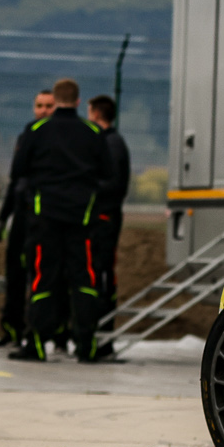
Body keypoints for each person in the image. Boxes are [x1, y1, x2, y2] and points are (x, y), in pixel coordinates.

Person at [7, 77, 112, 362]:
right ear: (78, 101)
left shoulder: (37, 130)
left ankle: (38, 344)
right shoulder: (92, 132)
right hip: (83, 219)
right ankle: (86, 345)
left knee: (44, 279)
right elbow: (107, 173)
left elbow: (18, 171)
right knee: (85, 281)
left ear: (55, 100)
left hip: (46, 219)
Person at [0, 89, 55, 350]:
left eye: (48, 106)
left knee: (40, 276)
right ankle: (11, 328)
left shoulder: (58, 138)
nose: (43, 110)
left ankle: (40, 332)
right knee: (14, 274)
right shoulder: (27, 134)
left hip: (44, 216)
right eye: (39, 105)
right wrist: (2, 218)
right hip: (21, 213)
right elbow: (15, 180)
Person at [85, 94, 130, 332]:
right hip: (104, 216)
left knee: (102, 274)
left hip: (105, 217)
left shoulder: (110, 144)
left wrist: (85, 185)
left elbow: (112, 183)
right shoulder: (111, 142)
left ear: (96, 114)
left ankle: (103, 331)